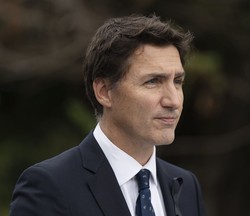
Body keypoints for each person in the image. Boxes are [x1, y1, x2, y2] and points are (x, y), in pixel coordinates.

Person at [10, 14, 205, 216]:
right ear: (104, 91)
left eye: (178, 81)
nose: (173, 100)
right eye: (153, 81)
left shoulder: (187, 186)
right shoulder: (50, 186)